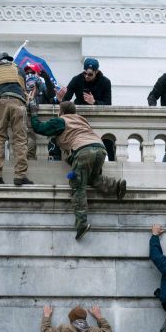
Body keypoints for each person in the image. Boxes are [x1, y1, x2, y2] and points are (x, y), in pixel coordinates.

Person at [29, 100, 127, 239]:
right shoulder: (82, 120)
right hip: (100, 149)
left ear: (61, 112)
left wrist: (33, 113)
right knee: (91, 178)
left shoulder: (61, 121)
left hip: (83, 151)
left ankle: (81, 223)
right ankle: (116, 186)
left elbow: (39, 128)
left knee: (78, 185)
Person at [0, 51, 32, 186]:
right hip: (18, 102)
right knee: (20, 140)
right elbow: (23, 88)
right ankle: (20, 176)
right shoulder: (19, 70)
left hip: (0, 102)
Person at [59, 57, 115, 160]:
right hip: (80, 117)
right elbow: (66, 100)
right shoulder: (77, 79)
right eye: (85, 73)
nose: (86, 76)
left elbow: (108, 103)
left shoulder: (105, 82)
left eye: (90, 74)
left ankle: (111, 160)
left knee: (107, 139)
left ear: (96, 72)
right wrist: (60, 98)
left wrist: (94, 102)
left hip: (98, 117)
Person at [25, 62, 57, 160]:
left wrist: (46, 78)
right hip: (26, 126)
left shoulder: (42, 86)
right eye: (27, 73)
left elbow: (51, 94)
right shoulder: (22, 87)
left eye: (32, 73)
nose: (29, 75)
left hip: (39, 126)